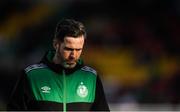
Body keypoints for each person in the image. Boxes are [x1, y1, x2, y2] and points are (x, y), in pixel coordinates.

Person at [7, 19, 110, 111]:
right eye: (68, 49)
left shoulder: (91, 78)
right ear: (56, 44)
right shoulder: (31, 75)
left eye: (78, 49)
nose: (73, 55)